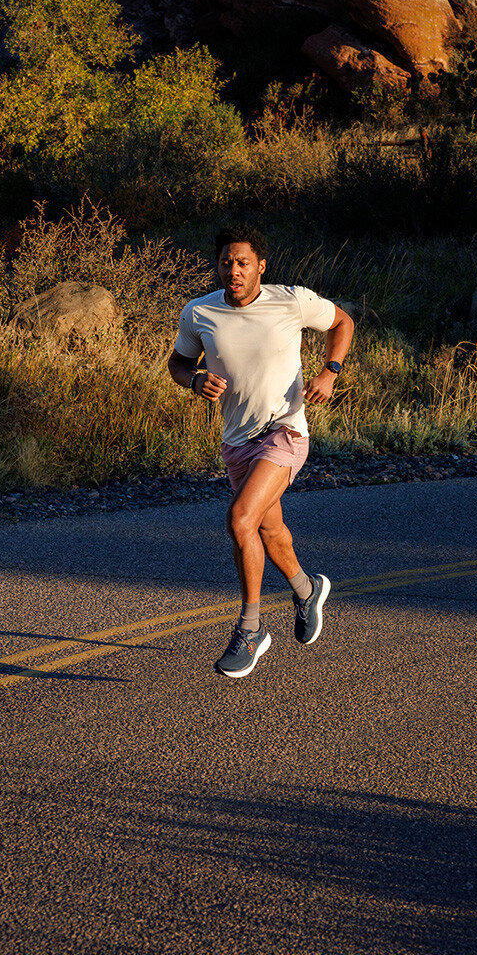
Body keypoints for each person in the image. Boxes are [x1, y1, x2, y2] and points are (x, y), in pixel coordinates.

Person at [167, 225, 355, 679]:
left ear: (260, 267)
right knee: (269, 532)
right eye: (227, 262)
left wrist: (330, 372)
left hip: (285, 431)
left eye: (243, 262)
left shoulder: (290, 300)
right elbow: (177, 362)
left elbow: (343, 322)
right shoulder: (199, 313)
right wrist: (194, 381)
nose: (234, 270)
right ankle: (307, 589)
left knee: (240, 519)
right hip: (237, 442)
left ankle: (250, 629)